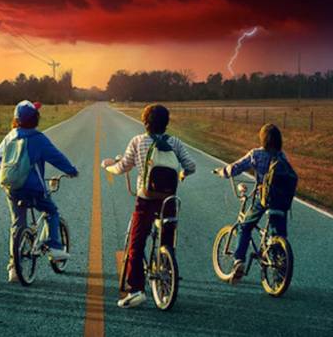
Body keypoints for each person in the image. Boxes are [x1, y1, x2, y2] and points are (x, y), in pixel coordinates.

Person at [102, 104, 196, 308]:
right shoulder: (176, 143)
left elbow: (123, 166)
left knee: (136, 244)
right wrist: (183, 174)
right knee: (167, 241)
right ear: (166, 123)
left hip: (146, 199)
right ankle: (166, 274)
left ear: (145, 123)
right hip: (169, 200)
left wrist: (108, 166)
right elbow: (191, 166)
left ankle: (136, 290)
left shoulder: (138, 141)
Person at [0, 100, 78, 283]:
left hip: (12, 188)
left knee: (17, 224)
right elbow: (56, 157)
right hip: (34, 189)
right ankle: (55, 247)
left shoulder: (9, 137)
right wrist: (71, 170)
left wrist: (10, 173)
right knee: (51, 211)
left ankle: (13, 269)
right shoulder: (38, 138)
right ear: (36, 119)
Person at [215, 123, 289, 285]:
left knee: (244, 226)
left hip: (263, 198)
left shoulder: (256, 154)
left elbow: (236, 167)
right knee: (278, 236)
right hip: (282, 200)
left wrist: (222, 171)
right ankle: (280, 275)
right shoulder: (282, 157)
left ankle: (239, 261)